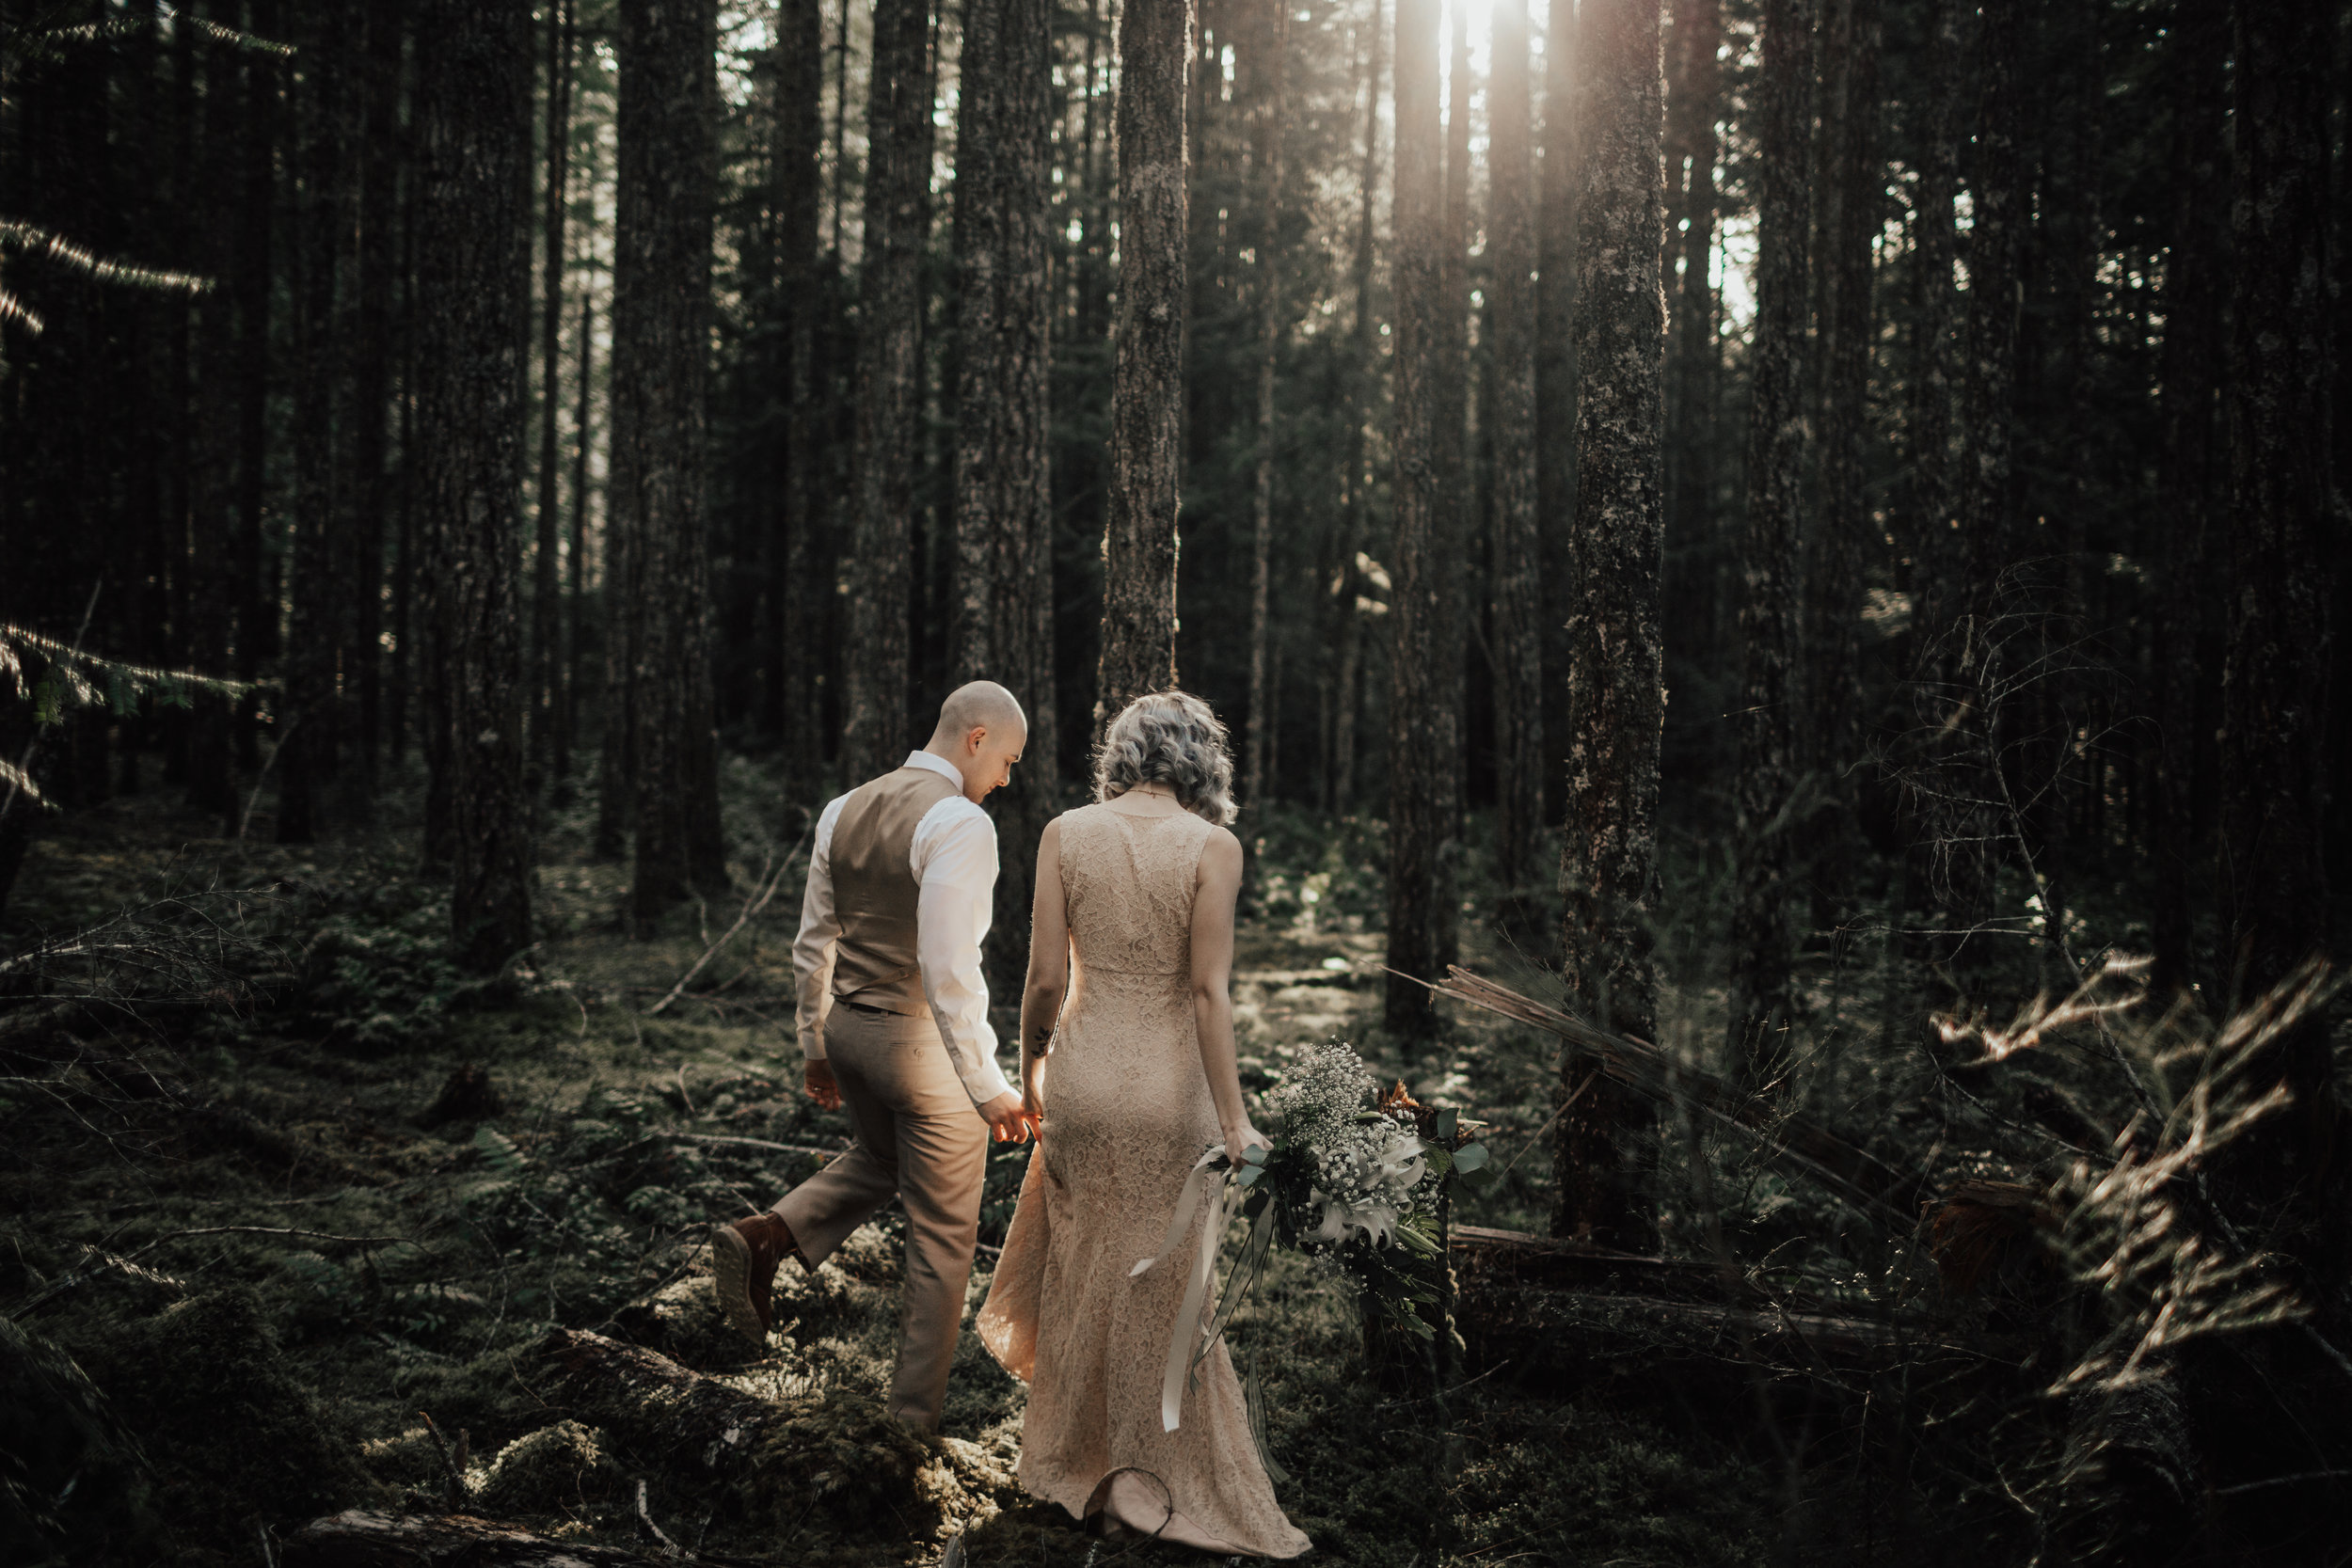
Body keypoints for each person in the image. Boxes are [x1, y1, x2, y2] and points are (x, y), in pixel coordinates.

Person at [977, 690, 1311, 1557]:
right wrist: (1237, 1123)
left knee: (1085, 1270)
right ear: (1202, 762)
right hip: (1170, 1096)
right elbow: (1208, 992)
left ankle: (1080, 1463)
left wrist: (1032, 1075)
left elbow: (1044, 981)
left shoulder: (1063, 833)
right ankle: (1146, 1475)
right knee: (1163, 1283)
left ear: (1122, 756)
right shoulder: (1214, 847)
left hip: (1083, 1082)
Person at [711, 682, 1039, 1432]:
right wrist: (987, 1083)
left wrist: (813, 1042)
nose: (1007, 781)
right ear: (977, 737)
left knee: (885, 1159)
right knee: (943, 1238)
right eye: (1009, 761)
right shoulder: (960, 822)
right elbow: (948, 966)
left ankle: (768, 1234)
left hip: (851, 1033)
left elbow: (812, 941)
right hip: (922, 1047)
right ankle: (910, 1428)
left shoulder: (844, 807)